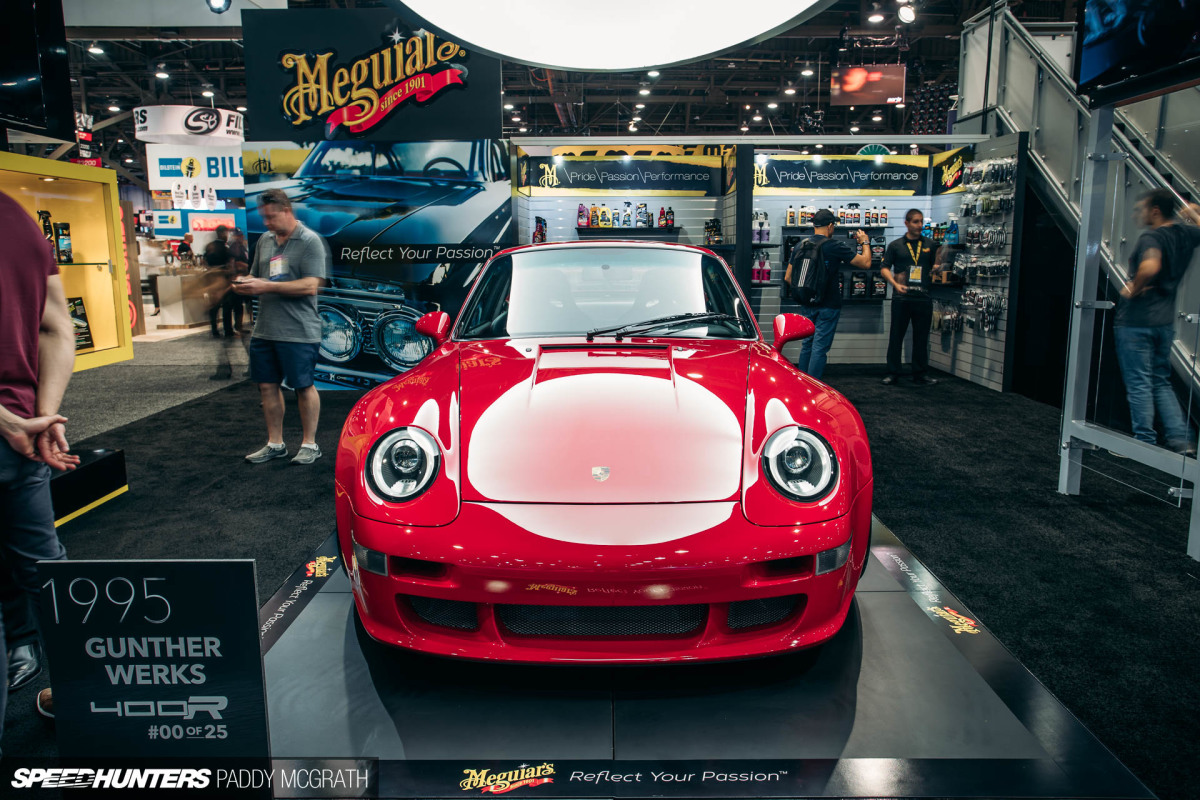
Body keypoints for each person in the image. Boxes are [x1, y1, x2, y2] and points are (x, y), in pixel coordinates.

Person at [0, 190, 81, 741]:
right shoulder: (19, 218)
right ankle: (86, 690)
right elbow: (58, 326)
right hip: (25, 440)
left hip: (14, 432)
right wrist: (43, 414)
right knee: (47, 572)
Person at [231, 189, 330, 465]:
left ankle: (310, 445)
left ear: (287, 211)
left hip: (299, 331)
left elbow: (312, 285)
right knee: (267, 387)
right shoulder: (265, 240)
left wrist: (266, 285)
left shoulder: (310, 241)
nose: (266, 223)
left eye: (271, 217)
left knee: (303, 386)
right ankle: (275, 444)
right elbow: (257, 274)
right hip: (265, 330)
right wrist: (244, 281)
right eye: (263, 217)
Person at [1114, 189, 1200, 454]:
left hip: (1137, 321)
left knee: (1139, 383)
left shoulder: (1152, 236)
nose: (1136, 214)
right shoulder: (1186, 234)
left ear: (1155, 211)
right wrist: (1193, 211)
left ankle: (1144, 443)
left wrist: (1133, 288)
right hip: (1163, 322)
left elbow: (1150, 266)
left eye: (1140, 209)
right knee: (1160, 380)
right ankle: (1180, 439)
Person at [783, 208, 872, 380]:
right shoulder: (834, 246)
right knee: (820, 347)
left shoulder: (800, 245)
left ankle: (803, 384)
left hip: (808, 303)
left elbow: (788, 277)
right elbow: (866, 263)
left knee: (807, 344)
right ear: (830, 226)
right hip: (829, 304)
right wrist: (865, 242)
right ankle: (814, 387)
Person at [881, 208, 940, 386]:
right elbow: (884, 268)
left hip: (923, 297)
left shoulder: (931, 245)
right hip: (902, 297)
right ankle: (893, 372)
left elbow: (935, 266)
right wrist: (895, 284)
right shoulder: (896, 245)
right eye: (915, 221)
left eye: (921, 221)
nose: (920, 225)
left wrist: (937, 268)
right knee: (896, 336)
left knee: (921, 337)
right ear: (906, 223)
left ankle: (920, 373)